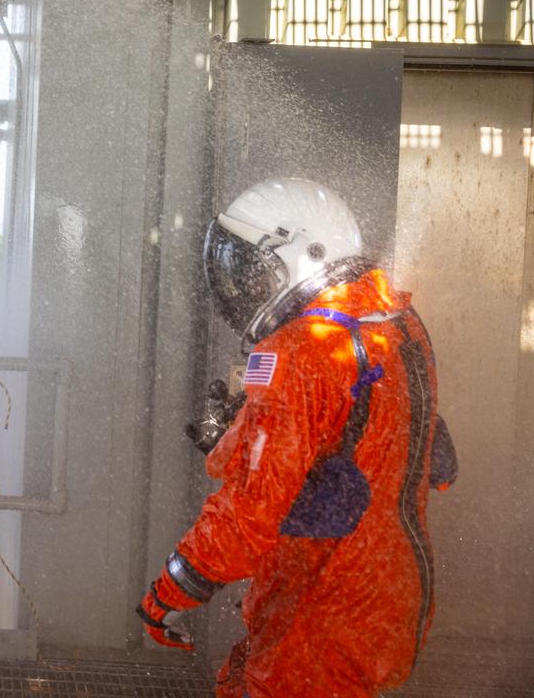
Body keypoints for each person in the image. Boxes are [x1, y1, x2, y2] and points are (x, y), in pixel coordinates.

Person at [137, 178, 458, 698]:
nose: (250, 293)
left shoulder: (299, 351)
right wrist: (250, 428)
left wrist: (171, 590)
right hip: (390, 592)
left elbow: (249, 515)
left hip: (322, 609)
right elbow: (418, 456)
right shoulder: (398, 323)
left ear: (308, 252)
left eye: (258, 276)